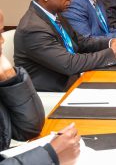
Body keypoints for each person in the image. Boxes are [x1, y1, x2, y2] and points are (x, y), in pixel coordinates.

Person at [14, 0, 116, 92]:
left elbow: (81, 41)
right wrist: (112, 53)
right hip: (56, 92)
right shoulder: (33, 29)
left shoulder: (55, 15)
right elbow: (69, 64)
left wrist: (112, 42)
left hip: (75, 78)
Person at [1, 9, 81, 165]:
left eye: (1, 32)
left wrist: (10, 79)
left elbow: (28, 129)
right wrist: (50, 155)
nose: (2, 41)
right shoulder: (33, 26)